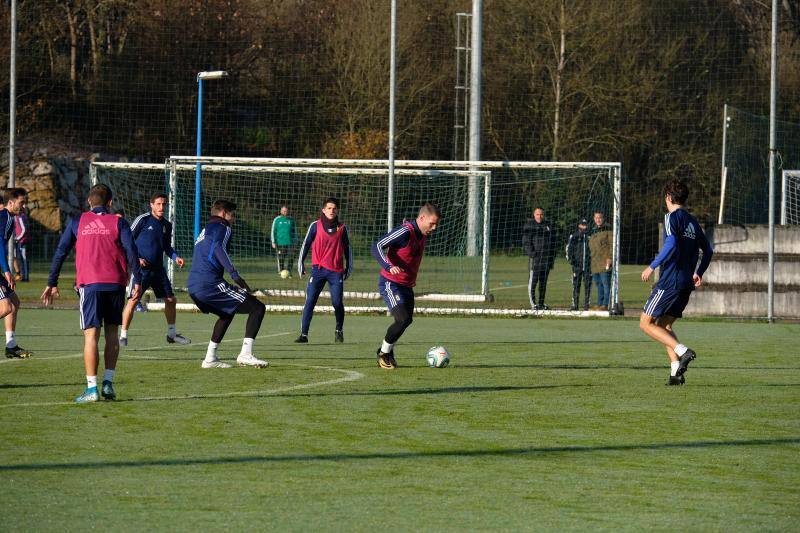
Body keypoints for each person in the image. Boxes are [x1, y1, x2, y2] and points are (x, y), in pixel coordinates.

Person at [41, 184, 142, 402]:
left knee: (91, 336)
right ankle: (108, 383)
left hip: (90, 285)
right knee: (112, 334)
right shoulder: (119, 221)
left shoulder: (78, 221)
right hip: (115, 284)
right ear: (110, 203)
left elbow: (61, 250)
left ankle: (91, 388)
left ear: (89, 201)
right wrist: (138, 280)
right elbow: (132, 250)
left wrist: (52, 281)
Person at [640, 178, 713, 386]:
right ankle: (675, 373)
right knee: (664, 325)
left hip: (670, 281)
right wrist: (699, 272)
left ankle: (683, 351)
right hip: (685, 283)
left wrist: (652, 266)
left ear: (668, 197)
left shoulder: (672, 217)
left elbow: (670, 244)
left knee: (645, 323)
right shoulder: (692, 221)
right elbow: (708, 250)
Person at [187, 199, 268, 369]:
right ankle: (245, 354)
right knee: (258, 308)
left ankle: (210, 358)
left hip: (194, 286)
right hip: (210, 284)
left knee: (226, 313)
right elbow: (218, 249)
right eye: (233, 215)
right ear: (224, 214)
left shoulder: (206, 229)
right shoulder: (223, 228)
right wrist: (236, 277)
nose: (234, 219)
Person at [371, 203, 441, 369]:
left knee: (406, 320)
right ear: (422, 218)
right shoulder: (404, 232)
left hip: (406, 285)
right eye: (432, 223)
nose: (434, 227)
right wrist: (389, 266)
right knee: (402, 318)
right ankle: (383, 354)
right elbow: (377, 246)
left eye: (436, 224)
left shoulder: (421, 232)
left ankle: (386, 350)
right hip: (390, 282)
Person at [119, 193, 190, 347]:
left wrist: (175, 257)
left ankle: (171, 334)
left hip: (158, 270)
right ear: (151, 205)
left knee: (171, 300)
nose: (161, 207)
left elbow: (166, 247)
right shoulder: (142, 220)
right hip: (141, 271)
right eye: (158, 204)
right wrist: (136, 259)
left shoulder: (167, 225)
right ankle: (123, 336)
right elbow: (127, 241)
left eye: (164, 204)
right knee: (133, 301)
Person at [295, 197, 352, 344]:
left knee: (337, 302)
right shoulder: (315, 225)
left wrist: (348, 268)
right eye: (329, 208)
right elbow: (305, 244)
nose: (332, 211)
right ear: (323, 210)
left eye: (334, 208)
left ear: (337, 210)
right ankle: (303, 335)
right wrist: (300, 264)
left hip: (336, 272)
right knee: (310, 301)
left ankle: (339, 330)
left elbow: (348, 249)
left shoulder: (342, 228)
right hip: (318, 271)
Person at [2, 188, 34, 358]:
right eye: (22, 202)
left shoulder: (7, 217)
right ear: (11, 202)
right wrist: (7, 271)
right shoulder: (5, 217)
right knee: (6, 307)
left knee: (14, 302)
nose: (24, 206)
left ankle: (11, 345)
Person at [522, 207, 556, 310]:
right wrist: (532, 254)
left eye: (541, 214)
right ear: (534, 215)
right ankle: (533, 304)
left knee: (543, 284)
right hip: (535, 260)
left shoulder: (548, 226)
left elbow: (553, 243)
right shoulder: (530, 226)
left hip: (546, 260)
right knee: (533, 282)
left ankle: (541, 303)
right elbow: (526, 242)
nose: (539, 216)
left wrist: (551, 258)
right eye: (537, 214)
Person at [588, 211, 613, 310]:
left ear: (603, 218)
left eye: (600, 218)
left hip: (604, 262)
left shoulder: (608, 230)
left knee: (605, 284)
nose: (598, 219)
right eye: (596, 218)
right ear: (594, 219)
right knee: (598, 284)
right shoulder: (593, 230)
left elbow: (612, 245)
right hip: (594, 263)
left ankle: (605, 304)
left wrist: (610, 258)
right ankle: (599, 303)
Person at [566, 218, 591, 311]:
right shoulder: (574, 236)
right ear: (579, 225)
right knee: (576, 285)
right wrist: (572, 261)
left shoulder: (590, 236)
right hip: (577, 266)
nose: (584, 226)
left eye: (585, 224)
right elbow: (569, 249)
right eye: (582, 224)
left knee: (588, 285)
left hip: (588, 266)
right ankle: (575, 305)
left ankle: (586, 305)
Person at [271, 205, 296, 276]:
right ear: (281, 211)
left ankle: (289, 271)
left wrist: (295, 241)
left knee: (291, 256)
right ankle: (281, 271)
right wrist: (273, 241)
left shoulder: (291, 220)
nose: (285, 212)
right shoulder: (277, 219)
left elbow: (294, 231)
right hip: (280, 242)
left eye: (286, 211)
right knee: (281, 257)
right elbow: (273, 231)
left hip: (290, 242)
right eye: (283, 211)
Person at [13, 204, 29, 282]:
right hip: (19, 241)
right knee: (20, 259)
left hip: (22, 241)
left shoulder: (21, 217)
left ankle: (26, 277)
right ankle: (22, 276)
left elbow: (24, 230)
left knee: (24, 259)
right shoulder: (16, 217)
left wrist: (17, 238)